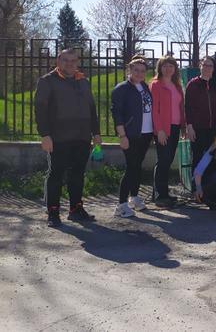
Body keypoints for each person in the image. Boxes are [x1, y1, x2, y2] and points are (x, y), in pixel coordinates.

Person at [34, 48, 101, 227]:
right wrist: (45, 135)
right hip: (58, 138)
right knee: (55, 174)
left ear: (77, 62)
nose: (69, 64)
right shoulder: (47, 81)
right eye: (65, 60)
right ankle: (53, 212)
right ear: (58, 61)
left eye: (73, 60)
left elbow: (92, 109)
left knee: (78, 174)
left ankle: (76, 209)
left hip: (82, 137)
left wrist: (96, 133)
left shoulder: (83, 81)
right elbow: (40, 110)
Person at [110, 56, 154, 218]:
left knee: (137, 166)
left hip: (146, 133)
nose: (139, 73)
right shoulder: (121, 89)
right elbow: (117, 114)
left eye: (142, 71)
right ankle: (121, 205)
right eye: (136, 70)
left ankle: (134, 197)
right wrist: (122, 135)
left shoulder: (144, 86)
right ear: (129, 69)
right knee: (131, 167)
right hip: (131, 134)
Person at [185, 56, 216, 183]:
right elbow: (188, 107)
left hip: (215, 128)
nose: (207, 68)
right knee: (198, 158)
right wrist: (190, 126)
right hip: (198, 128)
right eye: (205, 65)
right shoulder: (192, 84)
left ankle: (211, 185)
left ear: (214, 69)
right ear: (200, 66)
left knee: (215, 157)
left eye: (210, 66)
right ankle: (196, 187)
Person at [150, 55, 185, 208]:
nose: (168, 68)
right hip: (164, 129)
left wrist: (183, 126)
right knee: (163, 160)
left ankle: (164, 193)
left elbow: (181, 107)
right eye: (165, 66)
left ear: (175, 68)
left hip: (175, 127)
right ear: (160, 68)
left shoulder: (177, 85)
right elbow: (154, 110)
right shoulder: (156, 84)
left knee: (168, 160)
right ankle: (159, 195)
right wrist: (160, 130)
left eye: (171, 66)